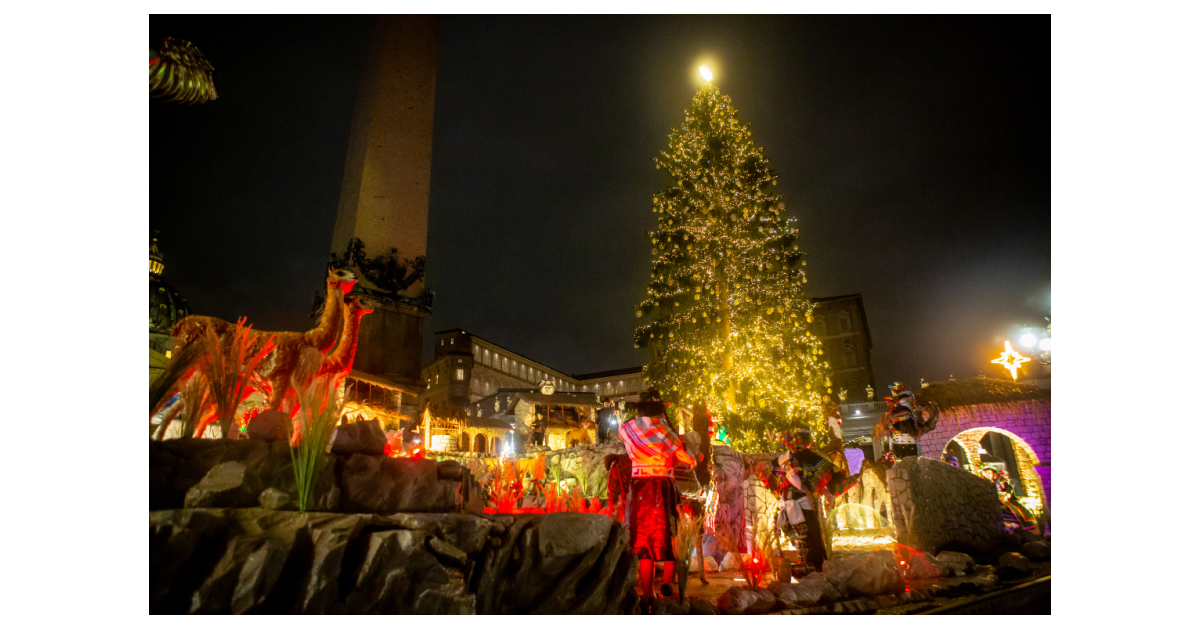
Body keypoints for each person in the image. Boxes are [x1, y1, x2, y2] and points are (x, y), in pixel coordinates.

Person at [618, 390, 695, 602]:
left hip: (639, 487)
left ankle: (646, 592)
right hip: (662, 486)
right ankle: (667, 586)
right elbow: (685, 456)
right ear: (659, 408)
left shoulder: (626, 429)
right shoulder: (663, 429)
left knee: (643, 542)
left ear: (640, 407)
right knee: (670, 537)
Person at [777, 428, 860, 575]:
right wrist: (849, 481)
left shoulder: (784, 459)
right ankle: (808, 569)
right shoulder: (810, 458)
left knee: (801, 540)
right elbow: (829, 477)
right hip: (805, 507)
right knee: (813, 540)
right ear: (807, 442)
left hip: (786, 507)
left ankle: (801, 567)